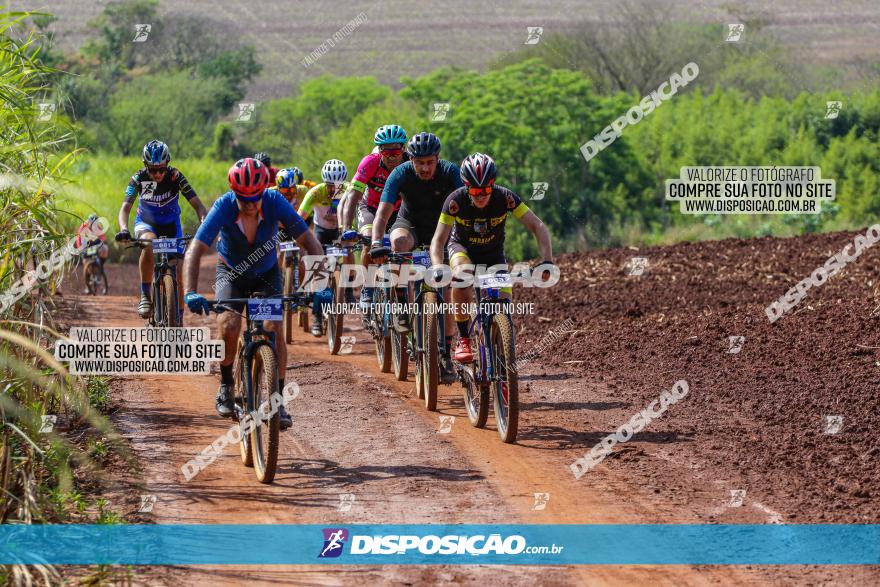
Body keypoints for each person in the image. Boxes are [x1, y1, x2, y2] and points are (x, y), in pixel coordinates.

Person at [182, 158, 323, 430]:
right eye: (242, 198)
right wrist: (189, 292)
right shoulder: (223, 206)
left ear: (263, 192)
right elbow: (196, 250)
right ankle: (225, 383)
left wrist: (321, 285)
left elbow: (310, 243)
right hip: (231, 273)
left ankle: (278, 399)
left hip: (266, 273)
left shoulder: (275, 202)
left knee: (273, 327)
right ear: (234, 192)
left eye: (254, 198)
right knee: (229, 324)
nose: (249, 204)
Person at [430, 153, 554, 362]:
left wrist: (547, 261)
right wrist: (436, 266)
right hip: (462, 249)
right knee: (463, 276)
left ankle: (499, 351)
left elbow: (537, 226)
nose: (480, 195)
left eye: (485, 190)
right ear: (466, 186)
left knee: (503, 305)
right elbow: (438, 240)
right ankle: (464, 338)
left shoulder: (505, 198)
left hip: (493, 254)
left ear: (493, 185)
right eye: (475, 190)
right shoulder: (455, 200)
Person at [369, 132, 463, 383]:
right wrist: (377, 242)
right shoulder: (399, 174)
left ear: (438, 158)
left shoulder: (451, 172)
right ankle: (401, 302)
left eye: (430, 162)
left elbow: (466, 207)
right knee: (398, 242)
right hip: (409, 224)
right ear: (410, 159)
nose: (425, 168)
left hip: (442, 229)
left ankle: (445, 352)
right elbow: (382, 214)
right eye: (419, 162)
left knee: (447, 289)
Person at [115, 140, 207, 321]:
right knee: (149, 244)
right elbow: (125, 208)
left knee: (179, 274)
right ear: (145, 166)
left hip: (172, 225)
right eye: (152, 169)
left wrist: (204, 224)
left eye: (161, 169)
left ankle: (178, 320)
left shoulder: (175, 176)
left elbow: (198, 206)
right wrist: (124, 229)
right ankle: (145, 295)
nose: (157, 174)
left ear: (168, 165)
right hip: (146, 223)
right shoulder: (139, 179)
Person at [339, 124, 408, 309]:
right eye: (386, 151)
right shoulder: (369, 163)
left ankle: (401, 289)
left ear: (404, 148)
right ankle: (368, 288)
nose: (392, 156)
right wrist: (346, 228)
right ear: (379, 150)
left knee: (403, 245)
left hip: (398, 212)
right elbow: (353, 197)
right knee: (369, 240)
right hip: (370, 208)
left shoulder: (411, 163)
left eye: (396, 151)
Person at [298, 159, 356, 335]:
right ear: (325, 182)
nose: (334, 190)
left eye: (338, 186)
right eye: (330, 185)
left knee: (348, 250)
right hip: (321, 231)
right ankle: (316, 317)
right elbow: (300, 217)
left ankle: (348, 290)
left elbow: (361, 211)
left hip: (341, 229)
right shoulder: (315, 193)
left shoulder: (350, 191)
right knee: (319, 272)